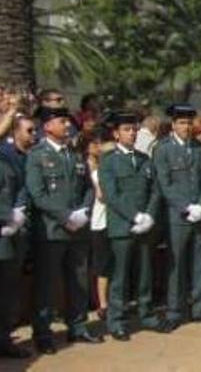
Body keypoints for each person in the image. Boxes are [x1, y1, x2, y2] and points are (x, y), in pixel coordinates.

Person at [27, 107, 101, 354]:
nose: (67, 126)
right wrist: (64, 216)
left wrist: (83, 212)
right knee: (47, 283)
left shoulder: (75, 154)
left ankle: (78, 326)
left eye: (68, 122)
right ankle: (44, 333)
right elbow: (37, 194)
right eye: (62, 122)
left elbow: (89, 188)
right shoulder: (37, 155)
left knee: (79, 280)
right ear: (47, 126)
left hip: (77, 229)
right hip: (52, 231)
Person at [99, 112, 174, 340]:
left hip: (145, 226)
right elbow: (112, 195)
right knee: (120, 276)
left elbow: (155, 190)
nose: (131, 133)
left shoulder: (144, 159)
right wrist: (135, 217)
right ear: (116, 134)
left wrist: (149, 215)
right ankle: (117, 320)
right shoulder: (109, 161)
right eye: (126, 130)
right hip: (123, 227)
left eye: (133, 129)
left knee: (145, 273)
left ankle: (146, 313)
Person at [153, 104, 201, 328]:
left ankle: (200, 307)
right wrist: (185, 207)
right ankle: (174, 311)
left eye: (189, 122)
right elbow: (164, 183)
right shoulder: (163, 149)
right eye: (181, 122)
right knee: (176, 265)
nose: (186, 127)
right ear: (173, 125)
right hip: (178, 216)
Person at [0, 151, 29, 358]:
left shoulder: (8, 157)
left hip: (9, 233)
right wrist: (6, 215)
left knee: (7, 288)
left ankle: (4, 339)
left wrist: (16, 213)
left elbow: (21, 186)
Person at [83, 130, 113, 321]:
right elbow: (101, 194)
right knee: (100, 265)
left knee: (108, 263)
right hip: (95, 221)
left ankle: (106, 300)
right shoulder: (87, 168)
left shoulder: (104, 165)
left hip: (108, 220)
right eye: (94, 143)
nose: (98, 146)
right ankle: (101, 303)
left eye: (99, 143)